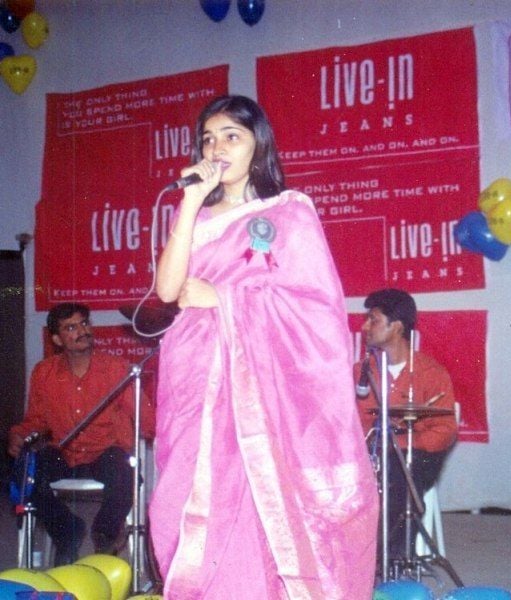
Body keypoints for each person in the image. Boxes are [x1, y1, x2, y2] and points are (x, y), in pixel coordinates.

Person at [149, 95, 378, 599]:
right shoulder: (195, 215)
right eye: (208, 138)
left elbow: (317, 307)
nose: (218, 148)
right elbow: (167, 290)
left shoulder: (290, 214)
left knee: (260, 504)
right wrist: (189, 202)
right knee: (179, 504)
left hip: (262, 385)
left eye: (232, 136)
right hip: (193, 375)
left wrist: (224, 298)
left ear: (259, 144)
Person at [8, 302, 155, 565]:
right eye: (71, 327)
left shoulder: (116, 368)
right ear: (57, 339)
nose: (82, 331)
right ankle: (67, 530)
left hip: (105, 453)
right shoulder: (44, 372)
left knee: (126, 473)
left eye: (84, 323)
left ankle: (105, 534)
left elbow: (147, 421)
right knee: (25, 475)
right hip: (64, 454)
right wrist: (19, 435)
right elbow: (37, 420)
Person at [354, 288, 458, 559]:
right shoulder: (359, 373)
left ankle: (393, 563)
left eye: (373, 319)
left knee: (399, 476)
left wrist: (398, 444)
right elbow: (346, 422)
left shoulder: (431, 373)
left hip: (415, 456)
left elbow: (445, 431)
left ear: (396, 327)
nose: (365, 326)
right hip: (368, 455)